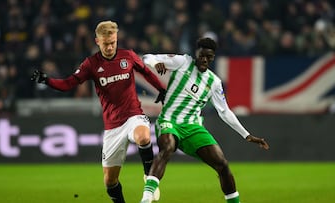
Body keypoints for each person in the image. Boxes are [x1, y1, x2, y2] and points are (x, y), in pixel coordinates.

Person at [31, 20, 163, 203]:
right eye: (106, 43)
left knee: (144, 137)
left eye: (113, 43)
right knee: (110, 181)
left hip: (134, 115)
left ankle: (149, 177)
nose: (110, 47)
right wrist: (48, 81)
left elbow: (147, 74)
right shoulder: (91, 64)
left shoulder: (128, 56)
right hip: (112, 127)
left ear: (117, 39)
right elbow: (69, 83)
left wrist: (161, 90)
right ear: (97, 41)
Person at [140, 37, 270, 203]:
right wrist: (155, 63)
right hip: (169, 121)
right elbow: (147, 57)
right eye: (202, 56)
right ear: (196, 53)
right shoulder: (182, 62)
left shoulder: (214, 82)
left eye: (209, 57)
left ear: (213, 58)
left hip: (193, 127)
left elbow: (225, 111)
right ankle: (146, 198)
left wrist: (247, 135)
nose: (204, 60)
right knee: (168, 147)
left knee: (222, 164)